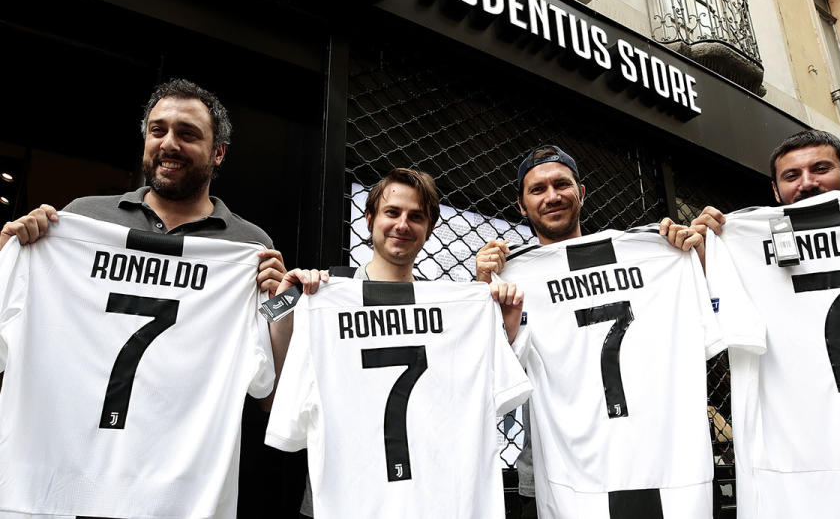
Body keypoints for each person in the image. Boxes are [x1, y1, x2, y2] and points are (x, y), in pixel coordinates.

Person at [0, 80, 291, 398]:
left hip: (182, 444)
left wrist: (281, 302)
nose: (169, 144)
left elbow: (270, 395)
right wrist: (8, 252)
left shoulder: (249, 247)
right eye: (157, 131)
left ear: (218, 153)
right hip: (72, 435)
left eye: (187, 134)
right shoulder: (79, 221)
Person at [474, 144, 708, 518]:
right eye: (538, 189)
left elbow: (705, 328)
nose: (552, 196)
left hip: (651, 458)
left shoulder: (652, 255)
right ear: (521, 205)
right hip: (557, 471)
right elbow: (489, 379)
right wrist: (483, 293)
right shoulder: (510, 278)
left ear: (580, 193)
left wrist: (695, 263)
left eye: (561, 185)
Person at [278, 167, 524, 518]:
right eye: (392, 212)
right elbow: (279, 390)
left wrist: (500, 326)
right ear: (368, 219)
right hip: (346, 499)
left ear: (429, 229)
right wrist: (288, 306)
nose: (403, 224)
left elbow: (477, 391)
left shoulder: (450, 309)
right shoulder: (325, 294)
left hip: (427, 497)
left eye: (416, 216)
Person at [659, 129, 840, 254]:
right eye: (792, 176)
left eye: (820, 169)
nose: (806, 183)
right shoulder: (750, 240)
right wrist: (703, 257)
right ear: (776, 191)